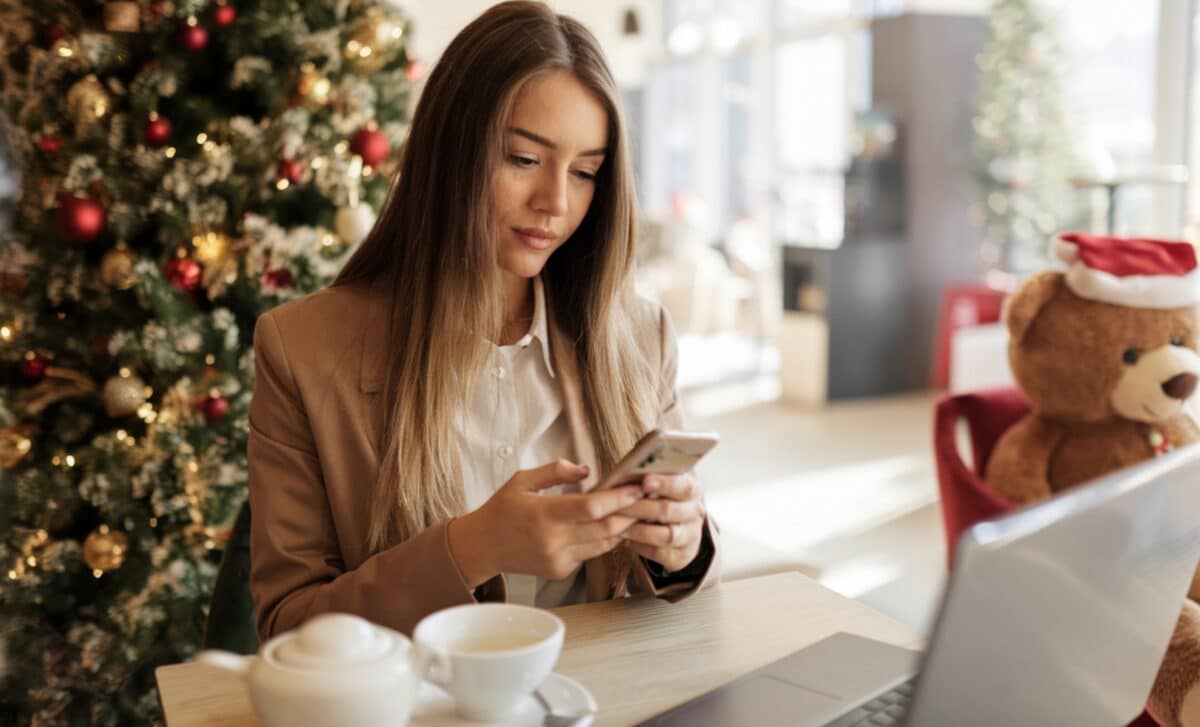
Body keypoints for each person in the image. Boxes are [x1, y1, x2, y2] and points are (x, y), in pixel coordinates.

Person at [248, 0, 719, 640]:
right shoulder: (303, 351)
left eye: (585, 172)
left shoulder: (640, 335)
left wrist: (684, 546)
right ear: (451, 151)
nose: (556, 201)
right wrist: (471, 548)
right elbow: (288, 627)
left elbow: (693, 588)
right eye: (524, 159)